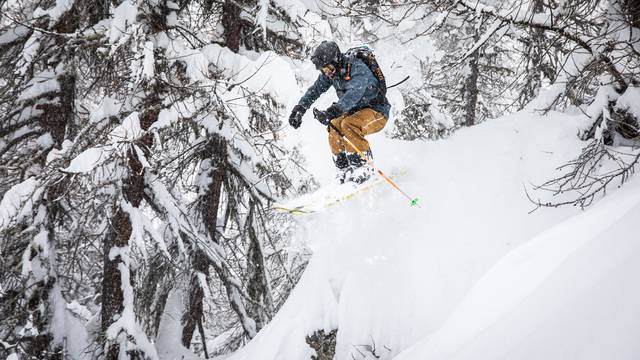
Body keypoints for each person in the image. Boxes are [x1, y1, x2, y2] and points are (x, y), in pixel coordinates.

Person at [288, 41, 391, 184]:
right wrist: (300, 108)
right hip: (355, 111)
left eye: (327, 68)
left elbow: (354, 93)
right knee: (335, 125)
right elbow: (315, 90)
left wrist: (332, 111)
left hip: (377, 111)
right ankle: (344, 168)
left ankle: (362, 166)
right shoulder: (331, 73)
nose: (326, 72)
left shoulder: (357, 68)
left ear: (335, 60)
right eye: (323, 70)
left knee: (349, 124)